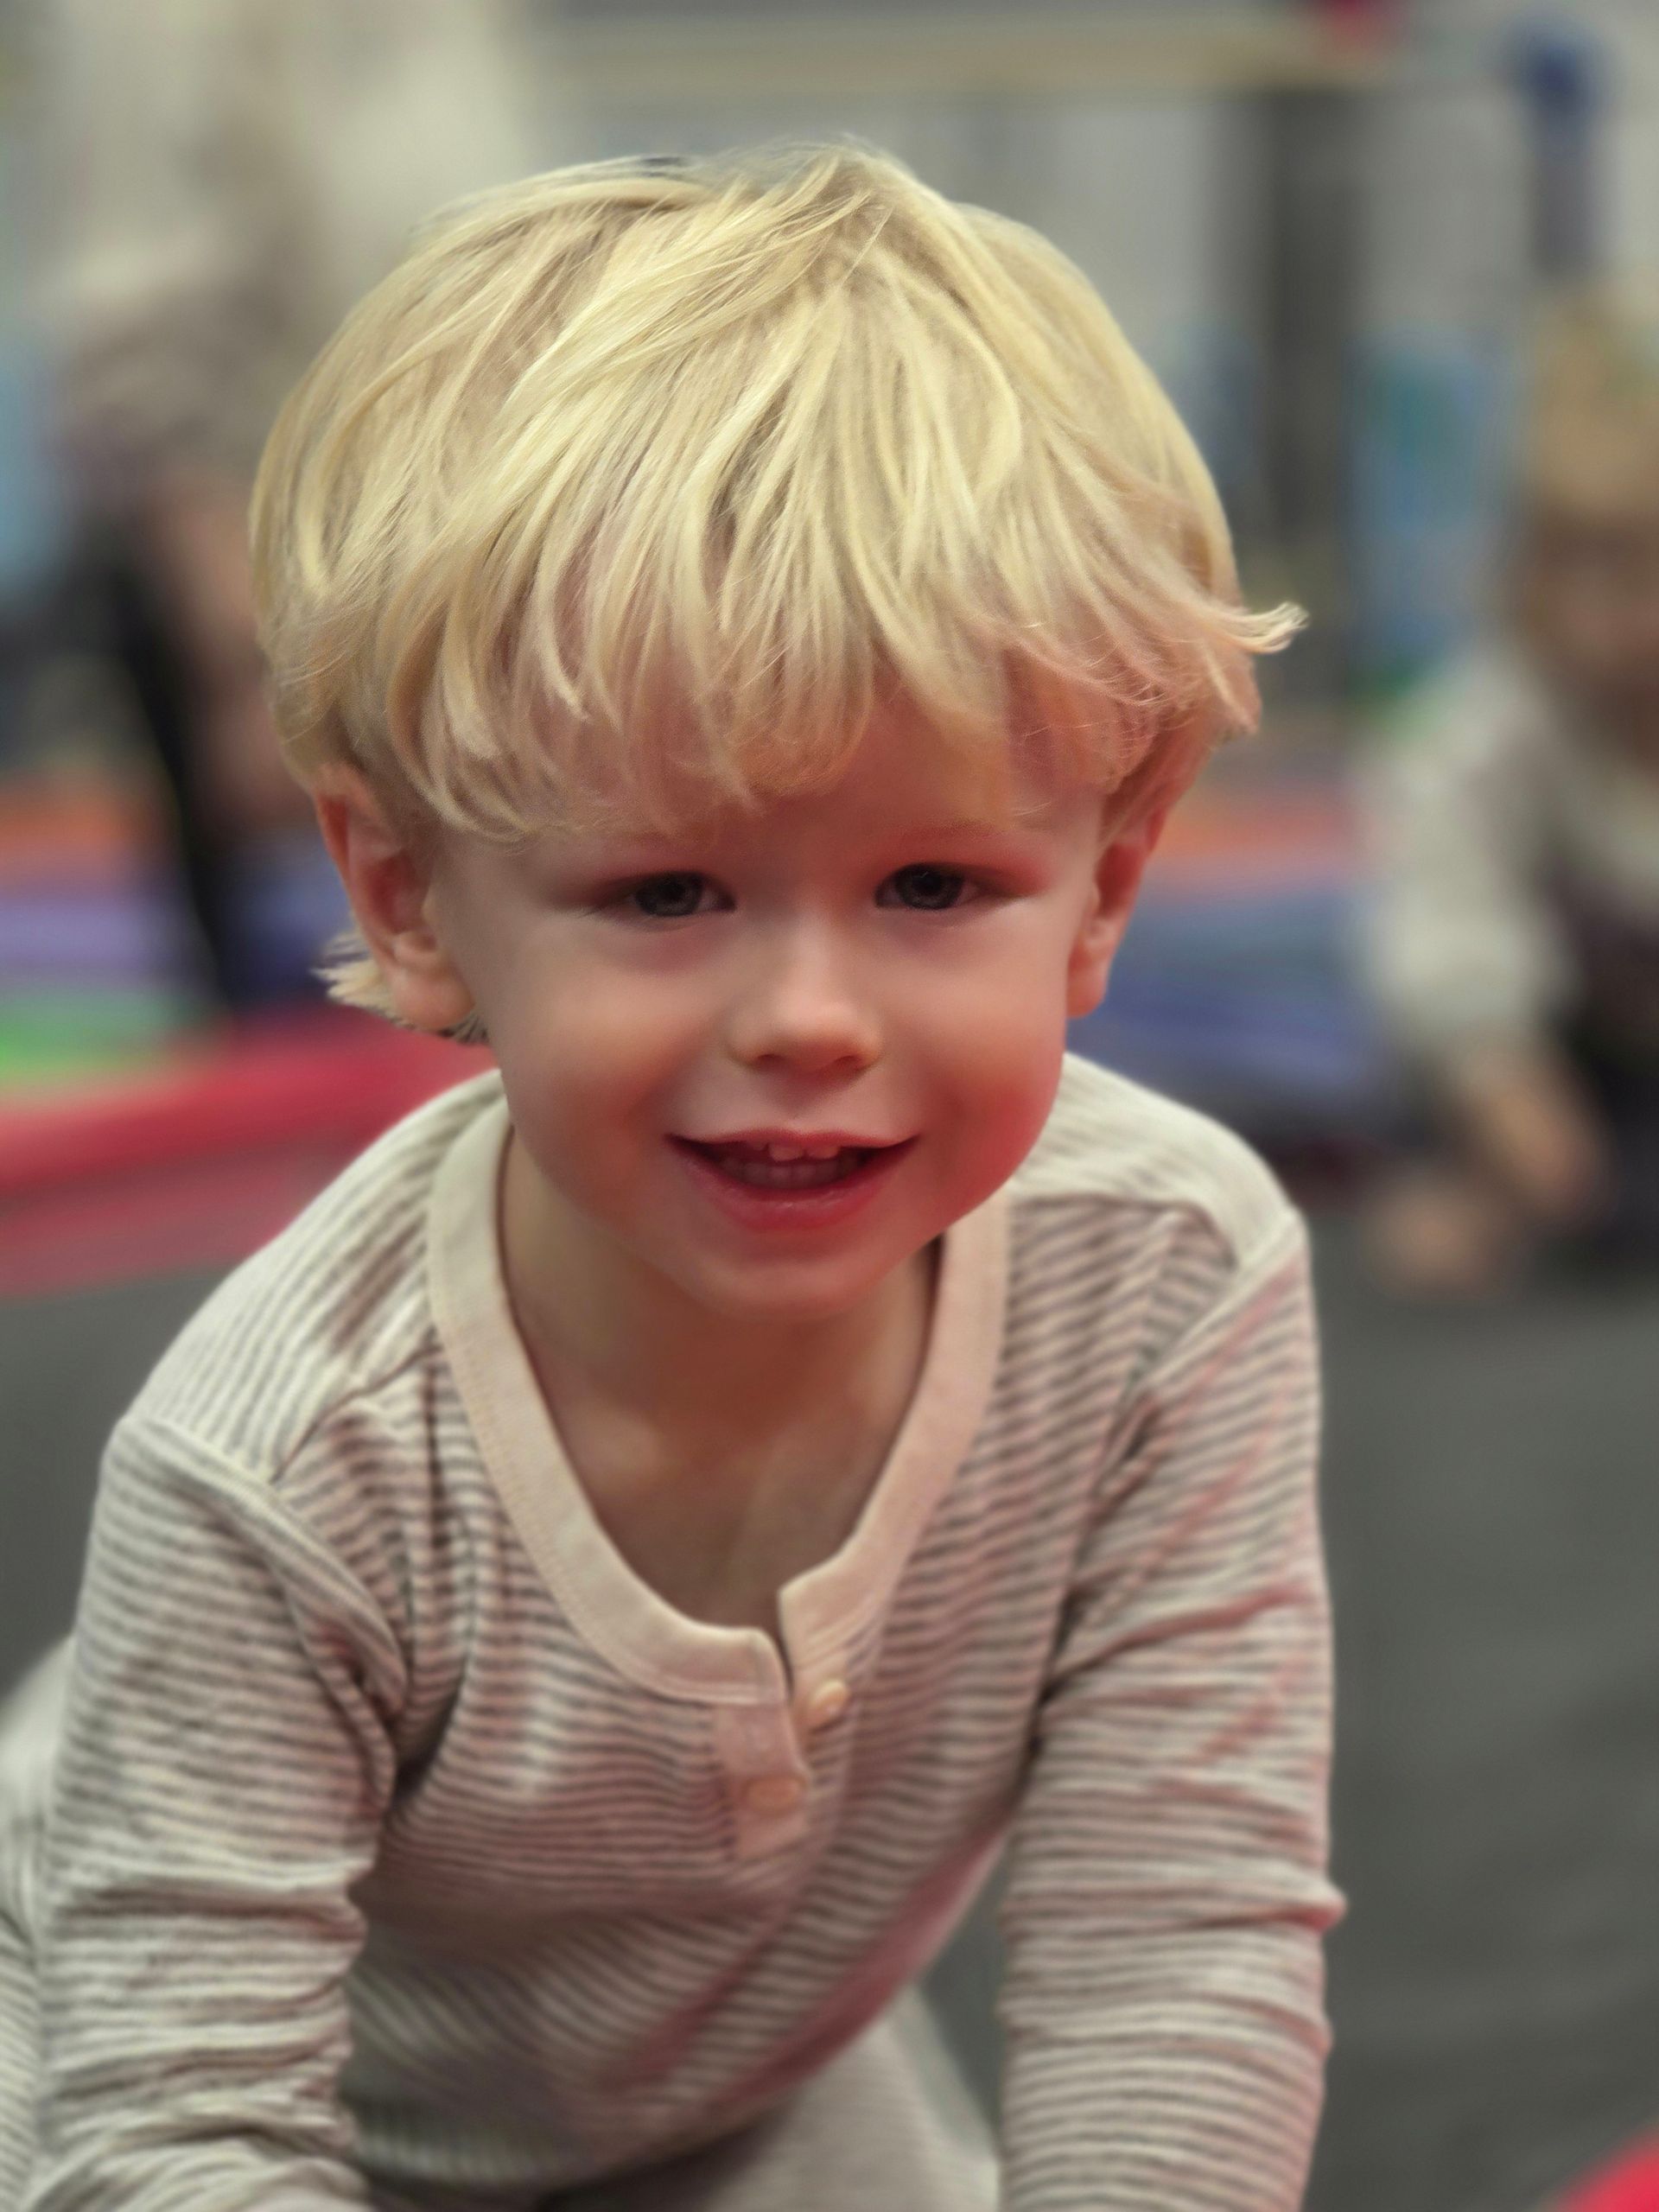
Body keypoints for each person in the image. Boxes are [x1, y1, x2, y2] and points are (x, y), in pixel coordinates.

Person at [0, 147, 1342, 2209]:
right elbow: (181, 2122)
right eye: (665, 888)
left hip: (711, 2104)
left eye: (931, 882)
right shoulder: (288, 1454)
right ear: (414, 895)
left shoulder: (1163, 1281)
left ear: (1105, 888)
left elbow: (1174, 1927)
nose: (808, 1012)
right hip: (118, 2076)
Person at [35, 0, 538, 1003]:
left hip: (457, 564)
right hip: (273, 586)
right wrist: (247, 663)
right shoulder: (155, 27)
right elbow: (138, 347)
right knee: (340, 993)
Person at [1360, 285, 1659, 1294]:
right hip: (1569, 1082)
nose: (1643, 622)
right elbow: (1445, 942)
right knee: (1460, 1121)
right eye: (1607, 571)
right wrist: (1502, 1093)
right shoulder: (1486, 734)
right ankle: (1498, 1202)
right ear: (1531, 572)